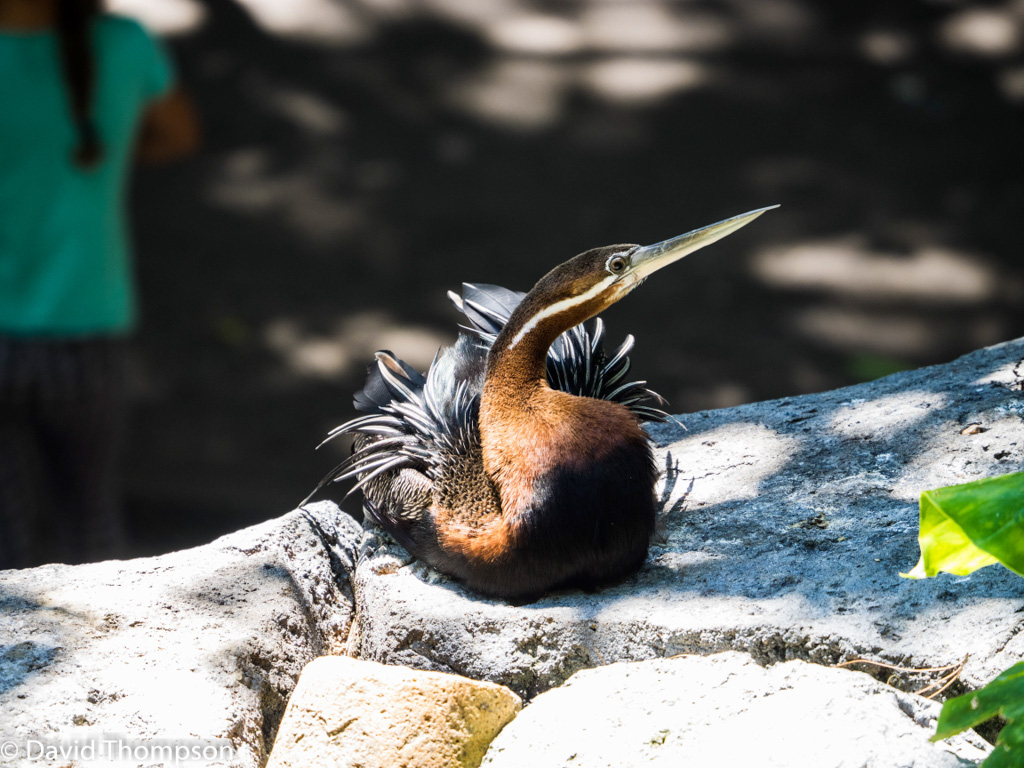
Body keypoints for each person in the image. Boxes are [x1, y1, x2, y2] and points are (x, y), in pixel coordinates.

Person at [0, 0, 199, 568]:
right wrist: (104, 156)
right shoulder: (125, 45)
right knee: (91, 530)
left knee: (5, 546)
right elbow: (178, 134)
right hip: (88, 329)